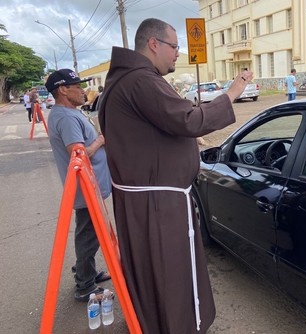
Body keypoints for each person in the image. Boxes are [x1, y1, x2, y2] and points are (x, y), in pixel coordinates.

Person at [98, 18, 252, 334]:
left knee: (157, 272)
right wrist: (232, 93)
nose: (178, 54)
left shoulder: (129, 80)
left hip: (150, 200)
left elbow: (165, 125)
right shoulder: (141, 81)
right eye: (174, 46)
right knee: (169, 273)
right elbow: (187, 119)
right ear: (153, 44)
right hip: (157, 205)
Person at [45, 69, 112, 302]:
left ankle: (87, 272)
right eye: (77, 86)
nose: (83, 90)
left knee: (88, 234)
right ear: (63, 90)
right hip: (85, 189)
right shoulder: (65, 117)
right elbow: (79, 154)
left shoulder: (70, 112)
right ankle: (85, 285)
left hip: (89, 187)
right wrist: (102, 139)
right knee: (88, 237)